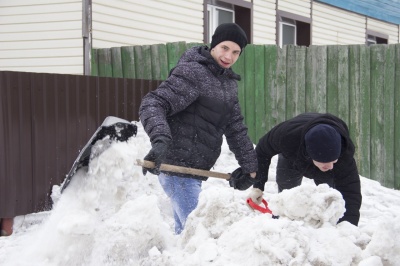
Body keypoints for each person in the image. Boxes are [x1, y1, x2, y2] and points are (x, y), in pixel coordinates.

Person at [139, 23, 258, 234]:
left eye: (236, 52)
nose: (229, 56)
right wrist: (160, 140)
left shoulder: (227, 83)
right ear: (213, 45)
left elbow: (235, 128)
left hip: (193, 171)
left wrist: (250, 169)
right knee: (197, 236)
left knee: (186, 235)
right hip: (177, 168)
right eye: (224, 48)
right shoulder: (193, 72)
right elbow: (154, 103)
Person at [249, 112, 362, 226]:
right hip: (295, 155)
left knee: (328, 197)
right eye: (325, 163)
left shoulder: (344, 154)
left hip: (317, 153)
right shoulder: (287, 137)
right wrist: (258, 186)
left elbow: (350, 192)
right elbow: (262, 151)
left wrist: (348, 227)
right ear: (311, 154)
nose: (331, 166)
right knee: (287, 191)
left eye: (334, 161)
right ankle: (282, 226)